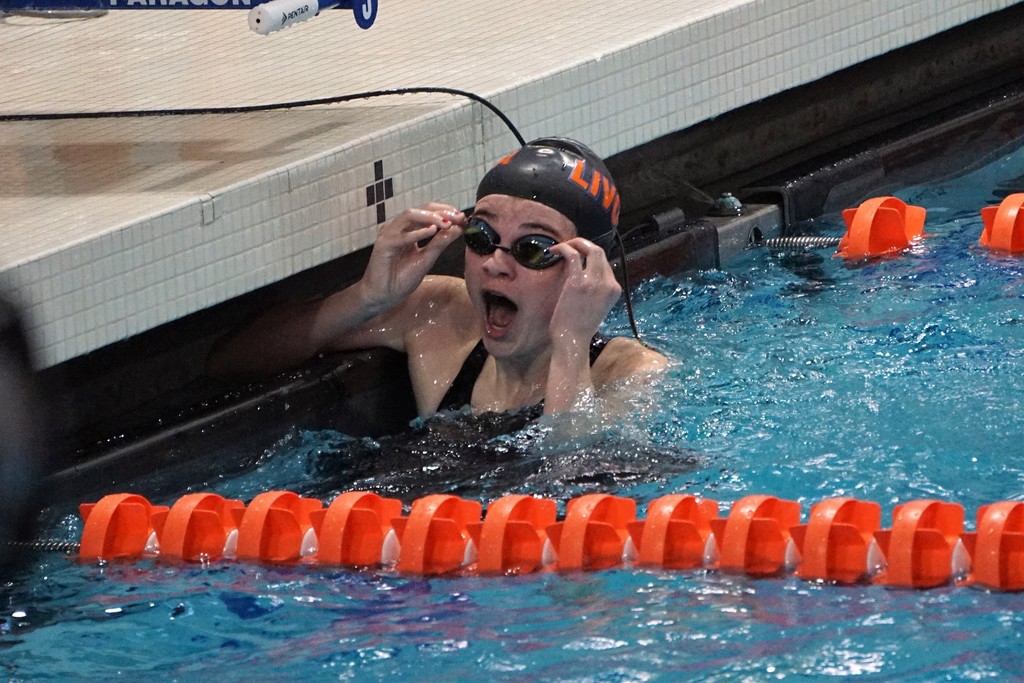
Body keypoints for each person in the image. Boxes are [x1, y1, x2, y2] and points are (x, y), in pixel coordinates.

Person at [207, 138, 667, 418]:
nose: (495, 263)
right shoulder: (439, 315)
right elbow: (229, 363)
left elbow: (568, 477)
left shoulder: (630, 373)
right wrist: (367, 296)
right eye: (482, 236)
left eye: (533, 249)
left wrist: (570, 343)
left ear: (588, 268)